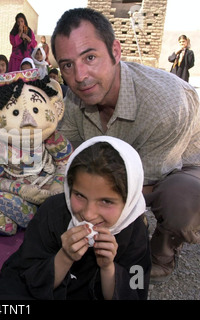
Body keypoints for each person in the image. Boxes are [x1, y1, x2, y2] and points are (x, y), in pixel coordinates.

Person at [51, 7, 200, 282]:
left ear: (115, 52)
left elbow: (143, 183)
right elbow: (66, 158)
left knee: (182, 203)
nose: (80, 76)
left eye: (90, 57)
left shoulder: (165, 104)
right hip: (117, 162)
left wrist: (92, 209)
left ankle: (162, 252)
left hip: (180, 163)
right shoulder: (73, 98)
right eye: (68, 65)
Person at [0, 136, 151, 300]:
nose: (88, 214)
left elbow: (135, 289)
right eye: (79, 195)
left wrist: (108, 268)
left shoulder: (135, 232)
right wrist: (65, 256)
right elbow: (28, 273)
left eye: (106, 201)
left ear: (129, 200)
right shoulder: (53, 211)